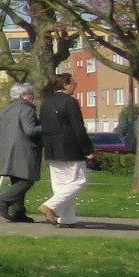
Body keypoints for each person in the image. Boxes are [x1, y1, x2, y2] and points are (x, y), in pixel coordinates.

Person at [37, 72, 95, 227]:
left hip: (51, 148)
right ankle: (50, 206)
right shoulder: (70, 102)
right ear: (65, 84)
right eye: (73, 82)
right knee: (80, 181)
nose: (75, 85)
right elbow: (78, 128)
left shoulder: (46, 103)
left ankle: (67, 219)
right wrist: (88, 149)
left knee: (61, 186)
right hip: (70, 148)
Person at [0, 82, 42, 223]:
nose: (33, 97)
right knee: (26, 180)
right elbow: (30, 130)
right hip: (23, 149)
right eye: (31, 94)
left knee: (17, 179)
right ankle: (2, 202)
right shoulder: (27, 110)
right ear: (24, 96)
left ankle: (19, 211)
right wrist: (46, 127)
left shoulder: (6, 110)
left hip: (6, 148)